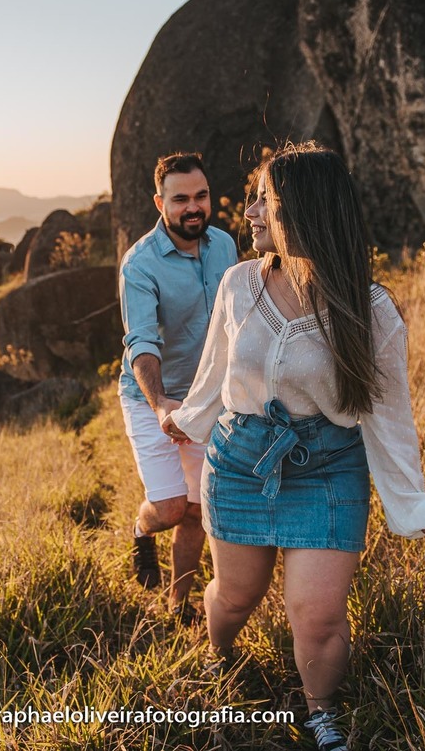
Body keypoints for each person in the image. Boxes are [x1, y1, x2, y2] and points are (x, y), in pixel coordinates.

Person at [161, 142, 425, 750]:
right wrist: (187, 419)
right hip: (240, 461)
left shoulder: (369, 310)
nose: (251, 213)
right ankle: (220, 659)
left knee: (316, 617)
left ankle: (321, 711)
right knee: (236, 597)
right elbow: (216, 369)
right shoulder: (240, 284)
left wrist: (412, 501)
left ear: (305, 210)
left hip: (326, 466)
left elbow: (388, 413)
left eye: (265, 201)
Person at [118, 151, 239, 620]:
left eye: (201, 196)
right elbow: (141, 342)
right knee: (169, 508)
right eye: (181, 198)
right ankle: (140, 530)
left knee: (196, 511)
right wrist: (161, 403)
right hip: (151, 398)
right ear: (159, 202)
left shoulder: (226, 246)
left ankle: (178, 603)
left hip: (207, 397)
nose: (194, 207)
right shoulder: (140, 265)